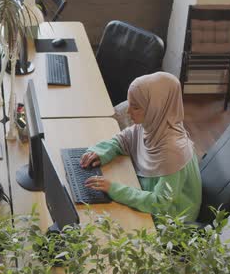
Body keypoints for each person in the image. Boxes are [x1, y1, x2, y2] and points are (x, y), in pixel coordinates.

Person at [81, 72, 202, 221]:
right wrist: (101, 151)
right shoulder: (154, 125)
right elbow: (124, 139)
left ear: (155, 108)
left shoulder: (173, 152)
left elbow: (160, 203)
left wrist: (113, 189)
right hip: (147, 197)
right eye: (129, 103)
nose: (128, 111)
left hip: (171, 220)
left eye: (136, 107)